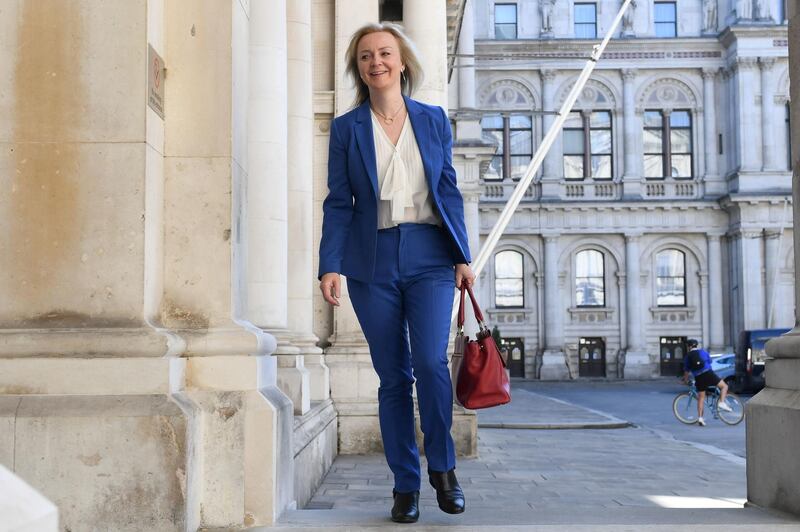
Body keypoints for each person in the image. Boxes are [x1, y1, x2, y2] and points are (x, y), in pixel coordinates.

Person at [318, 22, 475, 524]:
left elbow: (447, 190)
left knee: (430, 363)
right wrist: (330, 265)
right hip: (372, 261)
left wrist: (463, 256)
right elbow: (339, 202)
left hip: (430, 255)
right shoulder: (347, 129)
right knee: (392, 377)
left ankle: (443, 469)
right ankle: (404, 484)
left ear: (402, 62)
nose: (376, 62)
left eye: (385, 53)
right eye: (366, 56)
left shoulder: (432, 120)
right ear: (359, 67)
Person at [682, 339, 732, 426]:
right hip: (708, 373)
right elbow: (710, 362)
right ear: (696, 345)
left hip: (698, 377)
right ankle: (721, 402)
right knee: (724, 386)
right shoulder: (703, 352)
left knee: (701, 398)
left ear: (689, 347)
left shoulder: (688, 356)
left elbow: (686, 370)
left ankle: (700, 418)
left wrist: (685, 380)